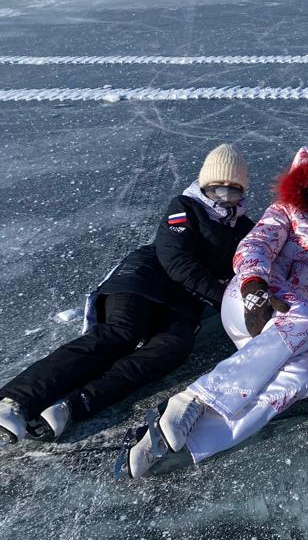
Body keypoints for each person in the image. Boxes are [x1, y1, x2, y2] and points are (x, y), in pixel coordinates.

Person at [122, 145, 308, 477]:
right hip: (255, 300)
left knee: (306, 376)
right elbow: (254, 245)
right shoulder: (286, 213)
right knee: (307, 319)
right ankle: (193, 400)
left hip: (296, 334)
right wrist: (254, 284)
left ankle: (191, 445)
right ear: (305, 189)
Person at [0, 144, 253, 445]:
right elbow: (178, 262)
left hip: (184, 303)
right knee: (122, 331)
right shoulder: (184, 207)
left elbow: (258, 262)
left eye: (232, 192)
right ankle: (16, 400)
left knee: (173, 347)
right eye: (216, 190)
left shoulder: (245, 228)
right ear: (203, 185)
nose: (223, 199)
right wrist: (227, 297)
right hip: (144, 279)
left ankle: (72, 405)